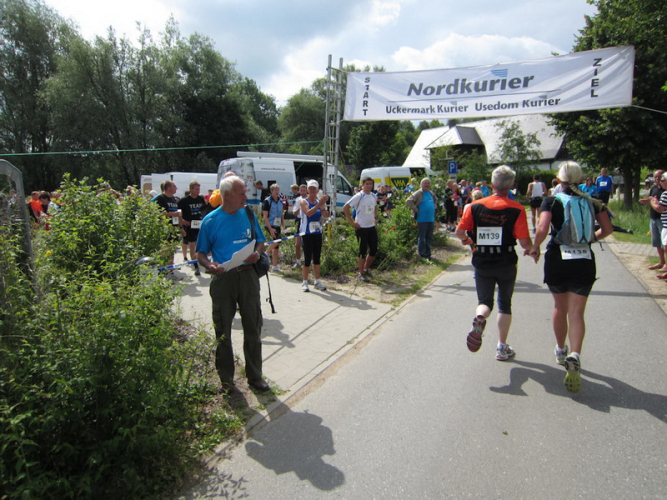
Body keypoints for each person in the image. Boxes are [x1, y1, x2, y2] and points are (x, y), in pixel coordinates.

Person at [528, 161, 612, 393]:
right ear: (581, 179)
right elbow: (607, 230)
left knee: (560, 307)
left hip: (557, 258)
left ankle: (560, 350)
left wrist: (535, 247)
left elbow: (542, 228)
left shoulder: (551, 201)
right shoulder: (593, 201)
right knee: (577, 312)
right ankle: (575, 353)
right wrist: (589, 239)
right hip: (584, 260)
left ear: (559, 179)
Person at [195, 175, 270, 393]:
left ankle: (255, 376)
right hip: (223, 279)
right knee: (223, 331)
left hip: (248, 278)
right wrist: (209, 265)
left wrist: (257, 253)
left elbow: (261, 241)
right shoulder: (210, 221)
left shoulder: (248, 214)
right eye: (242, 193)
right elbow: (200, 254)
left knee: (253, 327)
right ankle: (226, 381)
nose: (246, 197)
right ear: (227, 195)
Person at [455, 165, 533, 361]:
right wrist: (533, 248)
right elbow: (524, 242)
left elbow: (459, 232)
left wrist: (467, 240)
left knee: (484, 302)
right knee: (505, 304)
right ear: (512, 186)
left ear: (492, 184)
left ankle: (480, 318)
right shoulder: (517, 209)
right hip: (506, 261)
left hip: (482, 260)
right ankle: (501, 347)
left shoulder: (475, 206)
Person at [343, 177, 378, 282]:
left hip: (371, 226)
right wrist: (352, 222)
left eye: (371, 184)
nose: (369, 186)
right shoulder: (359, 196)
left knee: (373, 249)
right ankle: (361, 273)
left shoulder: (373, 195)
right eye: (367, 184)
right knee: (362, 250)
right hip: (361, 227)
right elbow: (346, 207)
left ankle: (366, 269)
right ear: (362, 185)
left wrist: (375, 218)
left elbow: (375, 207)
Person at [299, 180, 329, 292]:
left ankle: (317, 281)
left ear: (317, 190)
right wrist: (319, 204)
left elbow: (326, 215)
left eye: (314, 189)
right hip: (307, 233)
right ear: (307, 190)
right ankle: (305, 282)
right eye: (310, 188)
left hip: (317, 233)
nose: (312, 190)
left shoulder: (318, 202)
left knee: (317, 258)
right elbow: (308, 213)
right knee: (307, 258)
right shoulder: (304, 201)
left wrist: (323, 206)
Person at [639, 170, 666, 276]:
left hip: (662, 219)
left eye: (659, 177)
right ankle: (661, 261)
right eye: (655, 177)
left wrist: (652, 202)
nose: (657, 179)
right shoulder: (654, 188)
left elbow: (660, 206)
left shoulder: (664, 191)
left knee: (665, 243)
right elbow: (652, 200)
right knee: (657, 242)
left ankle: (665, 265)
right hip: (653, 217)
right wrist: (647, 201)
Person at [178, 181, 206, 276]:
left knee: (201, 243)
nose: (198, 191)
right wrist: (182, 221)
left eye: (199, 189)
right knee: (192, 244)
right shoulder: (184, 200)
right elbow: (178, 212)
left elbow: (204, 210)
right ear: (191, 189)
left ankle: (202, 261)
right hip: (189, 225)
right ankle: (195, 265)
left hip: (199, 224)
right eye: (196, 189)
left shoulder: (200, 199)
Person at [406, 178, 436, 260]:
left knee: (429, 237)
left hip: (431, 218)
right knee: (422, 237)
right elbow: (408, 201)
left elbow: (435, 200)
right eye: (425, 183)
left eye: (428, 183)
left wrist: (434, 206)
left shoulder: (431, 193)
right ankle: (422, 254)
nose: (427, 184)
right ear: (421, 184)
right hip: (422, 219)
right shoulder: (419, 193)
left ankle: (428, 254)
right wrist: (416, 210)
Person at [154, 180, 182, 268]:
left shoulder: (173, 199)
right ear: (169, 188)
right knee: (165, 249)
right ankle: (164, 269)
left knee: (172, 249)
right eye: (174, 186)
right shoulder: (160, 198)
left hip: (174, 227)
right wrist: (172, 214)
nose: (176, 188)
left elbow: (177, 213)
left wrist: (181, 227)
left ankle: (170, 268)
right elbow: (158, 213)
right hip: (164, 227)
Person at [262, 184, 285, 273]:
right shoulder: (267, 201)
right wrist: (270, 229)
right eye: (275, 190)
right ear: (271, 191)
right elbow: (265, 216)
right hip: (270, 224)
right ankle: (266, 253)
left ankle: (274, 266)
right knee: (278, 240)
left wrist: (283, 226)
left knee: (276, 245)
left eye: (278, 190)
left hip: (277, 224)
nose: (277, 192)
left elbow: (281, 214)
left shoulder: (280, 201)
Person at [649, 172, 667, 281]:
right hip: (662, 223)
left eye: (662, 180)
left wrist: (652, 202)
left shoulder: (665, 194)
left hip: (664, 224)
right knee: (663, 246)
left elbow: (660, 209)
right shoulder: (658, 190)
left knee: (666, 247)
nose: (660, 181)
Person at [291, 184, 307, 268]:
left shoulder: (309, 199)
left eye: (304, 190)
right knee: (297, 244)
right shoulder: (298, 199)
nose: (303, 192)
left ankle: (310, 261)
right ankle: (298, 261)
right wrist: (300, 207)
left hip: (307, 221)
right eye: (301, 190)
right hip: (300, 220)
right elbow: (294, 212)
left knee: (308, 243)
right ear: (299, 191)